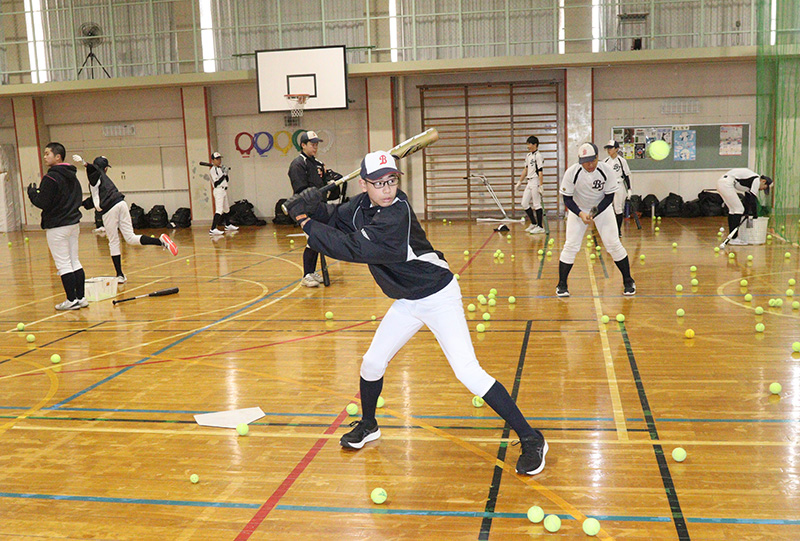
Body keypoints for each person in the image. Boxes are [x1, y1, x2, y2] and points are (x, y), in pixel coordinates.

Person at [283, 150, 548, 476]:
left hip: (437, 295)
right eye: (378, 183)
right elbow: (335, 217)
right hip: (408, 300)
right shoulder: (361, 206)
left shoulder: (397, 213)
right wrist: (311, 204)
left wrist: (304, 220)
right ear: (364, 185)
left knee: (467, 371)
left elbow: (352, 248)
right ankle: (369, 424)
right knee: (372, 362)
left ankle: (531, 437)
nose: (387, 189)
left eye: (391, 181)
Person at [73, 154, 179, 283]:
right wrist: (79, 204)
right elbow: (94, 200)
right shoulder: (105, 180)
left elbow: (93, 171)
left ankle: (120, 275)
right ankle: (161, 241)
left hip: (110, 209)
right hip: (121, 204)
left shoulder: (95, 176)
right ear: (105, 168)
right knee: (130, 238)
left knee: (113, 242)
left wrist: (84, 163)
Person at [557, 143, 635, 297]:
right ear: (580, 160)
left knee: (613, 244)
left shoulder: (606, 170)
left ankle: (628, 281)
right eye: (586, 161)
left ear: (598, 157)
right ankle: (562, 285)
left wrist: (596, 212)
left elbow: (609, 196)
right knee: (571, 246)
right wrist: (580, 213)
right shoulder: (572, 173)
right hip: (578, 209)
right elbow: (567, 199)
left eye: (593, 160)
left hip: (602, 209)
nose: (590, 165)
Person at [27, 142, 87, 310]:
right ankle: (81, 297)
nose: (45, 157)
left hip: (58, 225)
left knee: (63, 264)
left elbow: (43, 202)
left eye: (48, 153)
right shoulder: (72, 176)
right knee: (74, 260)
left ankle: (71, 300)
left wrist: (32, 194)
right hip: (73, 224)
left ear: (58, 156)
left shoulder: (51, 178)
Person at [287, 130, 327, 287]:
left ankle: (311, 271)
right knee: (312, 240)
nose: (315, 147)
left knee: (316, 240)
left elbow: (322, 186)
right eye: (312, 144)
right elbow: (301, 190)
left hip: (318, 208)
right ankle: (306, 275)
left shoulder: (316, 163)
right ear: (303, 145)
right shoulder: (298, 164)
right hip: (305, 210)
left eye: (316, 144)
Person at [716, 168, 773, 245]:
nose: (762, 189)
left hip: (721, 183)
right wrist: (755, 215)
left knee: (733, 210)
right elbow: (753, 200)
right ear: (763, 181)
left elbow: (748, 199)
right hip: (726, 184)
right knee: (738, 209)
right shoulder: (756, 180)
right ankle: (734, 238)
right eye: (764, 187)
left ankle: (732, 237)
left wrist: (746, 213)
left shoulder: (750, 182)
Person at [515, 135, 545, 234]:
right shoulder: (528, 156)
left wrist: (541, 185)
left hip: (535, 181)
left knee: (537, 204)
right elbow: (526, 170)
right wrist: (519, 182)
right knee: (524, 203)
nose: (528, 146)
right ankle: (533, 223)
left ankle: (540, 226)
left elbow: (540, 171)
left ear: (535, 144)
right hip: (529, 181)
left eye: (529, 144)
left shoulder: (538, 156)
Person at [603, 140, 632, 237]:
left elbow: (626, 175)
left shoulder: (622, 161)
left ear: (616, 149)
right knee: (607, 208)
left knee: (618, 209)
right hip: (608, 187)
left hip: (619, 186)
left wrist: (629, 189)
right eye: (608, 148)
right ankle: (608, 229)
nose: (609, 150)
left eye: (611, 148)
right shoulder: (605, 162)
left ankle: (618, 230)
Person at [208, 152, 238, 236]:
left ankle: (228, 225)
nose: (219, 160)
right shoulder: (213, 170)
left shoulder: (219, 169)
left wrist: (226, 173)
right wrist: (224, 174)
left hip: (224, 190)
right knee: (219, 210)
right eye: (217, 159)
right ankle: (213, 229)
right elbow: (216, 183)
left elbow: (226, 180)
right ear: (213, 160)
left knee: (226, 209)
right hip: (218, 191)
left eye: (219, 159)